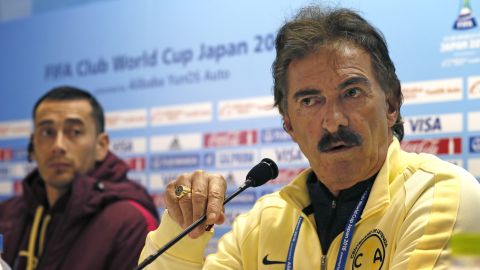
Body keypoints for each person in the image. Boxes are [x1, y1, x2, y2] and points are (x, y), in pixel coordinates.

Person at [139, 6, 480, 269]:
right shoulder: (264, 221)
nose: (333, 121)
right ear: (289, 125)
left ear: (391, 104)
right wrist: (182, 228)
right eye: (309, 101)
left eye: (352, 92)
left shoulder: (445, 194)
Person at [0, 86, 159, 270]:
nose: (58, 146)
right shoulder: (7, 214)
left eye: (74, 132)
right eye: (47, 132)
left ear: (101, 145)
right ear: (33, 144)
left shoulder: (130, 222)